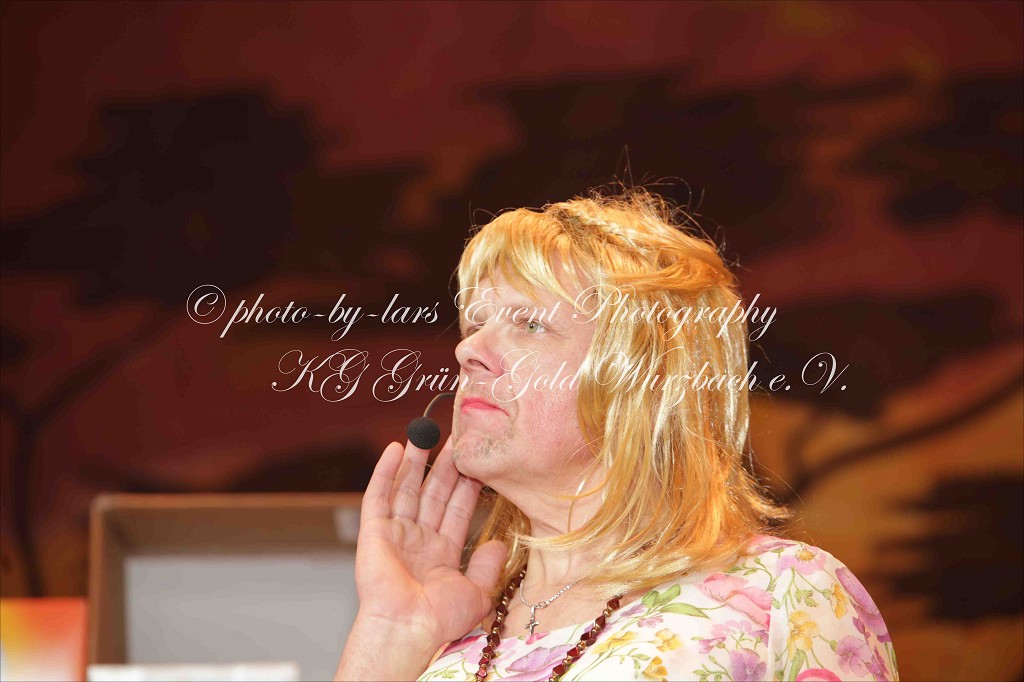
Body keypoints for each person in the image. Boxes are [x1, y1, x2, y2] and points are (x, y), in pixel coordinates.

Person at [334, 187, 898, 681]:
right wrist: (391, 633)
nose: (468, 349)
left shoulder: (785, 593)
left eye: (530, 324)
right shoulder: (448, 619)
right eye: (477, 322)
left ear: (645, 380)